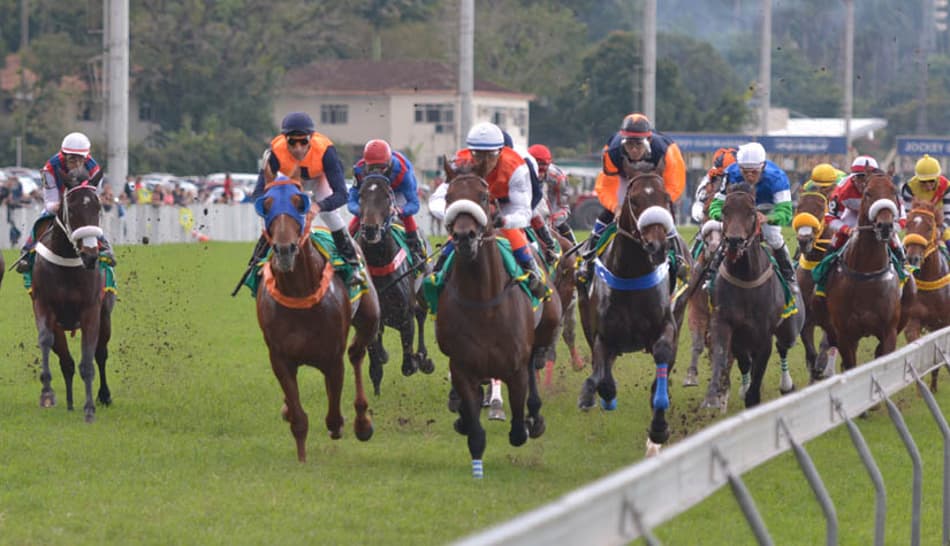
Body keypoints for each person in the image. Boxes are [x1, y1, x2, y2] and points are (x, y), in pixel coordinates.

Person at [430, 121, 547, 299]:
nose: (484, 161)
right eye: (478, 154)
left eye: (490, 155)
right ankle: (437, 271)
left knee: (512, 231)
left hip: (507, 201)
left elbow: (523, 211)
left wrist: (505, 220)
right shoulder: (459, 164)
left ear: (500, 151)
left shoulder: (517, 167)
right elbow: (437, 199)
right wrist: (453, 214)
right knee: (458, 233)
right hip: (474, 203)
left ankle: (532, 270)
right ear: (470, 152)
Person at [248, 112, 365, 286]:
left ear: (312, 138)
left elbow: (342, 194)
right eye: (292, 142)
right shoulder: (274, 153)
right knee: (274, 218)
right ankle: (254, 264)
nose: (298, 148)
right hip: (289, 180)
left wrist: (319, 206)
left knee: (330, 216)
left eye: (303, 141)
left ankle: (353, 264)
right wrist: (270, 207)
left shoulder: (326, 152)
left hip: (319, 178)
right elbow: (258, 192)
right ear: (284, 138)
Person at [578, 113, 687, 285]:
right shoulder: (612, 151)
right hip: (625, 178)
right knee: (608, 213)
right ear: (622, 142)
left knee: (664, 217)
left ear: (648, 142)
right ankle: (588, 257)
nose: (634, 150)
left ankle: (679, 258)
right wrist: (616, 208)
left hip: (657, 181)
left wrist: (660, 204)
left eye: (638, 144)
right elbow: (605, 187)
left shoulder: (666, 151)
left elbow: (675, 184)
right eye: (629, 144)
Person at [14, 132, 116, 274]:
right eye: (72, 160)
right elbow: (49, 200)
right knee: (43, 217)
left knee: (90, 218)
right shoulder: (49, 168)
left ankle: (105, 248)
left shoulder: (94, 169)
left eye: (81, 160)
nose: (77, 164)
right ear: (63, 155)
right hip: (58, 201)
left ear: (87, 156)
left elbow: (92, 195)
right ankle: (27, 253)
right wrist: (56, 206)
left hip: (79, 202)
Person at [708, 141, 797, 287]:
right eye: (745, 171)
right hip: (740, 212)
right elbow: (716, 204)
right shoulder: (731, 172)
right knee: (722, 235)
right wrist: (723, 216)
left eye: (754, 172)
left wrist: (768, 218)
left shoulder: (777, 178)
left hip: (768, 210)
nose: (749, 176)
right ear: (739, 167)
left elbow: (786, 212)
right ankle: (710, 275)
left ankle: (790, 277)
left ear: (763, 167)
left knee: (773, 237)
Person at [347, 139, 425, 264]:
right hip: (374, 191)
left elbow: (414, 204)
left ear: (389, 163)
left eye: (381, 167)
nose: (377, 171)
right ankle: (344, 250)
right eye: (372, 167)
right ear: (366, 164)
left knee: (407, 217)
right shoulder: (359, 170)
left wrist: (400, 210)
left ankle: (417, 251)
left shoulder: (403, 171)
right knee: (361, 216)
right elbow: (351, 200)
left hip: (397, 190)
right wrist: (361, 211)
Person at [825, 155, 906, 262]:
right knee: (836, 241)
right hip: (852, 214)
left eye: (866, 177)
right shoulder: (842, 191)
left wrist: (892, 228)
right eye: (859, 177)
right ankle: (824, 269)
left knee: (896, 243)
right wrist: (846, 229)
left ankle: (903, 267)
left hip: (878, 216)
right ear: (853, 177)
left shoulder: (884, 189)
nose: (863, 182)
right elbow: (830, 217)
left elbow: (902, 218)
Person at [900, 154, 950, 253]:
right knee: (901, 248)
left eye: (931, 181)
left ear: (937, 178)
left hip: (940, 221)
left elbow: (948, 215)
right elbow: (908, 214)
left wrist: (939, 229)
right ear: (917, 178)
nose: (928, 185)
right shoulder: (909, 188)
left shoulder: (946, 187)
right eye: (923, 182)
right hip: (917, 224)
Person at [529, 144, 576, 246]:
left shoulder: (558, 177)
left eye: (543, 169)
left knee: (563, 227)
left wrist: (553, 220)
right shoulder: (521, 173)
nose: (540, 174)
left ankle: (578, 257)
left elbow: (563, 208)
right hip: (527, 214)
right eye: (537, 169)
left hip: (551, 216)